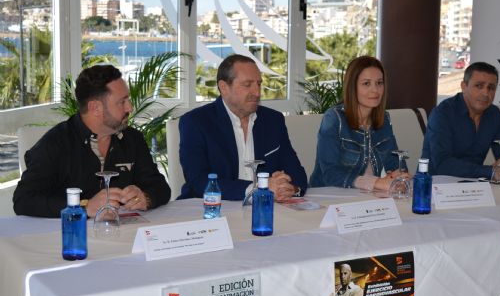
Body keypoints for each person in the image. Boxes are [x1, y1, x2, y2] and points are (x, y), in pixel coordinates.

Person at [13, 65, 171, 218]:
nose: (130, 107)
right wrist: (83, 207)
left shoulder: (132, 139)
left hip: (124, 232)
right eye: (122, 102)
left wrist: (145, 198)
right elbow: (23, 200)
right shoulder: (55, 143)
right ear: (95, 108)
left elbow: (161, 188)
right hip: (70, 233)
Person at [179, 54, 307, 201]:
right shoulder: (196, 122)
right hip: (211, 207)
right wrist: (257, 189)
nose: (257, 92)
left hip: (267, 208)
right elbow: (198, 181)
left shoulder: (273, 120)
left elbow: (297, 175)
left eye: (259, 84)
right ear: (224, 87)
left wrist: (289, 188)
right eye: (247, 85)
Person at [309, 56, 407, 191]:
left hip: (366, 196)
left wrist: (399, 176)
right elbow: (330, 174)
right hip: (328, 195)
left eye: (379, 83)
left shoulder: (384, 119)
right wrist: (375, 183)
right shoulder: (334, 118)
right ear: (352, 87)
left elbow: (395, 162)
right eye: (366, 83)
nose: (375, 90)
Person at [421, 61, 500, 178]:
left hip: (475, 184)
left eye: (491, 88)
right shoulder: (443, 113)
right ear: (464, 86)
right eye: (479, 86)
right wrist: (490, 172)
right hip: (434, 184)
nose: (486, 93)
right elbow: (443, 164)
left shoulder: (494, 114)